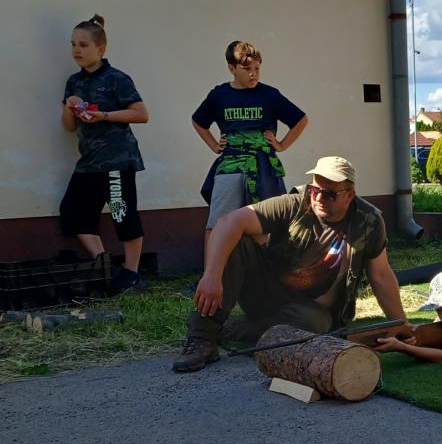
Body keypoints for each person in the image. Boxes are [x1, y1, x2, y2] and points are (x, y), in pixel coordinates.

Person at [173, 156, 404, 373]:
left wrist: (400, 323)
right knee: (237, 242)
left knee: (313, 326)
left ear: (349, 195)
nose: (318, 198)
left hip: (311, 312)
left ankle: (232, 330)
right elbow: (228, 222)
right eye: (314, 190)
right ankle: (202, 337)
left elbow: (381, 275)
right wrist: (211, 275)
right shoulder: (293, 204)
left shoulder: (369, 221)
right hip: (268, 291)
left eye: (329, 194)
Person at [60, 14, 151, 294]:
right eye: (73, 44)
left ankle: (132, 273)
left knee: (122, 213)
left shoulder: (117, 79)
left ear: (100, 49)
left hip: (117, 160)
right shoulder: (74, 82)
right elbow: (69, 127)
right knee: (73, 212)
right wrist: (70, 107)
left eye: (83, 45)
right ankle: (105, 266)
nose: (76, 50)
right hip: (89, 162)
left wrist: (104, 116)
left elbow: (141, 114)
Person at [192, 40, 308, 238]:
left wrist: (281, 145)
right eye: (247, 69)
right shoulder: (219, 95)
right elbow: (198, 121)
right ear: (231, 68)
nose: (253, 73)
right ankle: (211, 260)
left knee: (264, 222)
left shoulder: (269, 95)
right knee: (217, 223)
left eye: (257, 68)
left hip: (263, 166)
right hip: (230, 165)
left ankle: (263, 259)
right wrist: (214, 145)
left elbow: (300, 120)